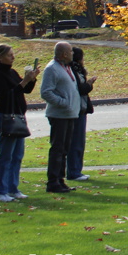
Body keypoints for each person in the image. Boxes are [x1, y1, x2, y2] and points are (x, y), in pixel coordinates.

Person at [0, 44, 39, 202]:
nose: (13, 57)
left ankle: (12, 188)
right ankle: (0, 192)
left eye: (12, 54)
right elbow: (8, 95)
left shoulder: (12, 72)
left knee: (17, 155)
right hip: (4, 116)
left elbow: (25, 90)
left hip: (17, 116)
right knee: (6, 155)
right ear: (0, 57)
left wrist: (32, 79)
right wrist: (25, 81)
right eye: (9, 55)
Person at [40, 42, 81, 193]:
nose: (73, 53)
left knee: (64, 149)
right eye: (70, 51)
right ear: (64, 54)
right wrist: (63, 103)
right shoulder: (52, 68)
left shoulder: (66, 67)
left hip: (69, 114)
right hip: (59, 115)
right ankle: (52, 182)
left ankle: (60, 180)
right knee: (57, 149)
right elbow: (46, 92)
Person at [67, 47, 97, 182]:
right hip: (77, 109)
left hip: (81, 108)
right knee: (76, 142)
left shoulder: (74, 70)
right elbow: (80, 89)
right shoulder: (73, 70)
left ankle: (76, 170)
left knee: (78, 142)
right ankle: (74, 171)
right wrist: (89, 84)